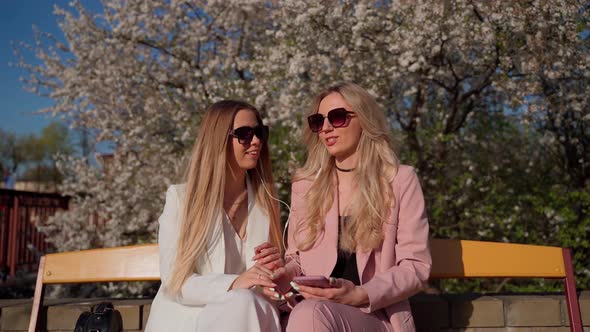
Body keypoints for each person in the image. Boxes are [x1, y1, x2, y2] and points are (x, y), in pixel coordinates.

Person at [276, 83, 432, 331]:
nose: (326, 128)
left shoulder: (399, 180)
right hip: (308, 310)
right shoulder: (305, 186)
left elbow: (415, 266)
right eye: (318, 121)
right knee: (304, 312)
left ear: (365, 121)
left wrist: (360, 294)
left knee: (310, 314)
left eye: (337, 118)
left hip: (374, 314)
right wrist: (285, 273)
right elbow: (297, 257)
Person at [145, 100, 284, 332]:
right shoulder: (182, 200)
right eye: (244, 134)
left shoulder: (266, 203)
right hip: (189, 319)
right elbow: (175, 282)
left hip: (247, 318)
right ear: (218, 140)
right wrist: (235, 283)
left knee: (245, 302)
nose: (256, 141)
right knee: (242, 300)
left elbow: (264, 288)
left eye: (259, 132)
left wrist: (274, 277)